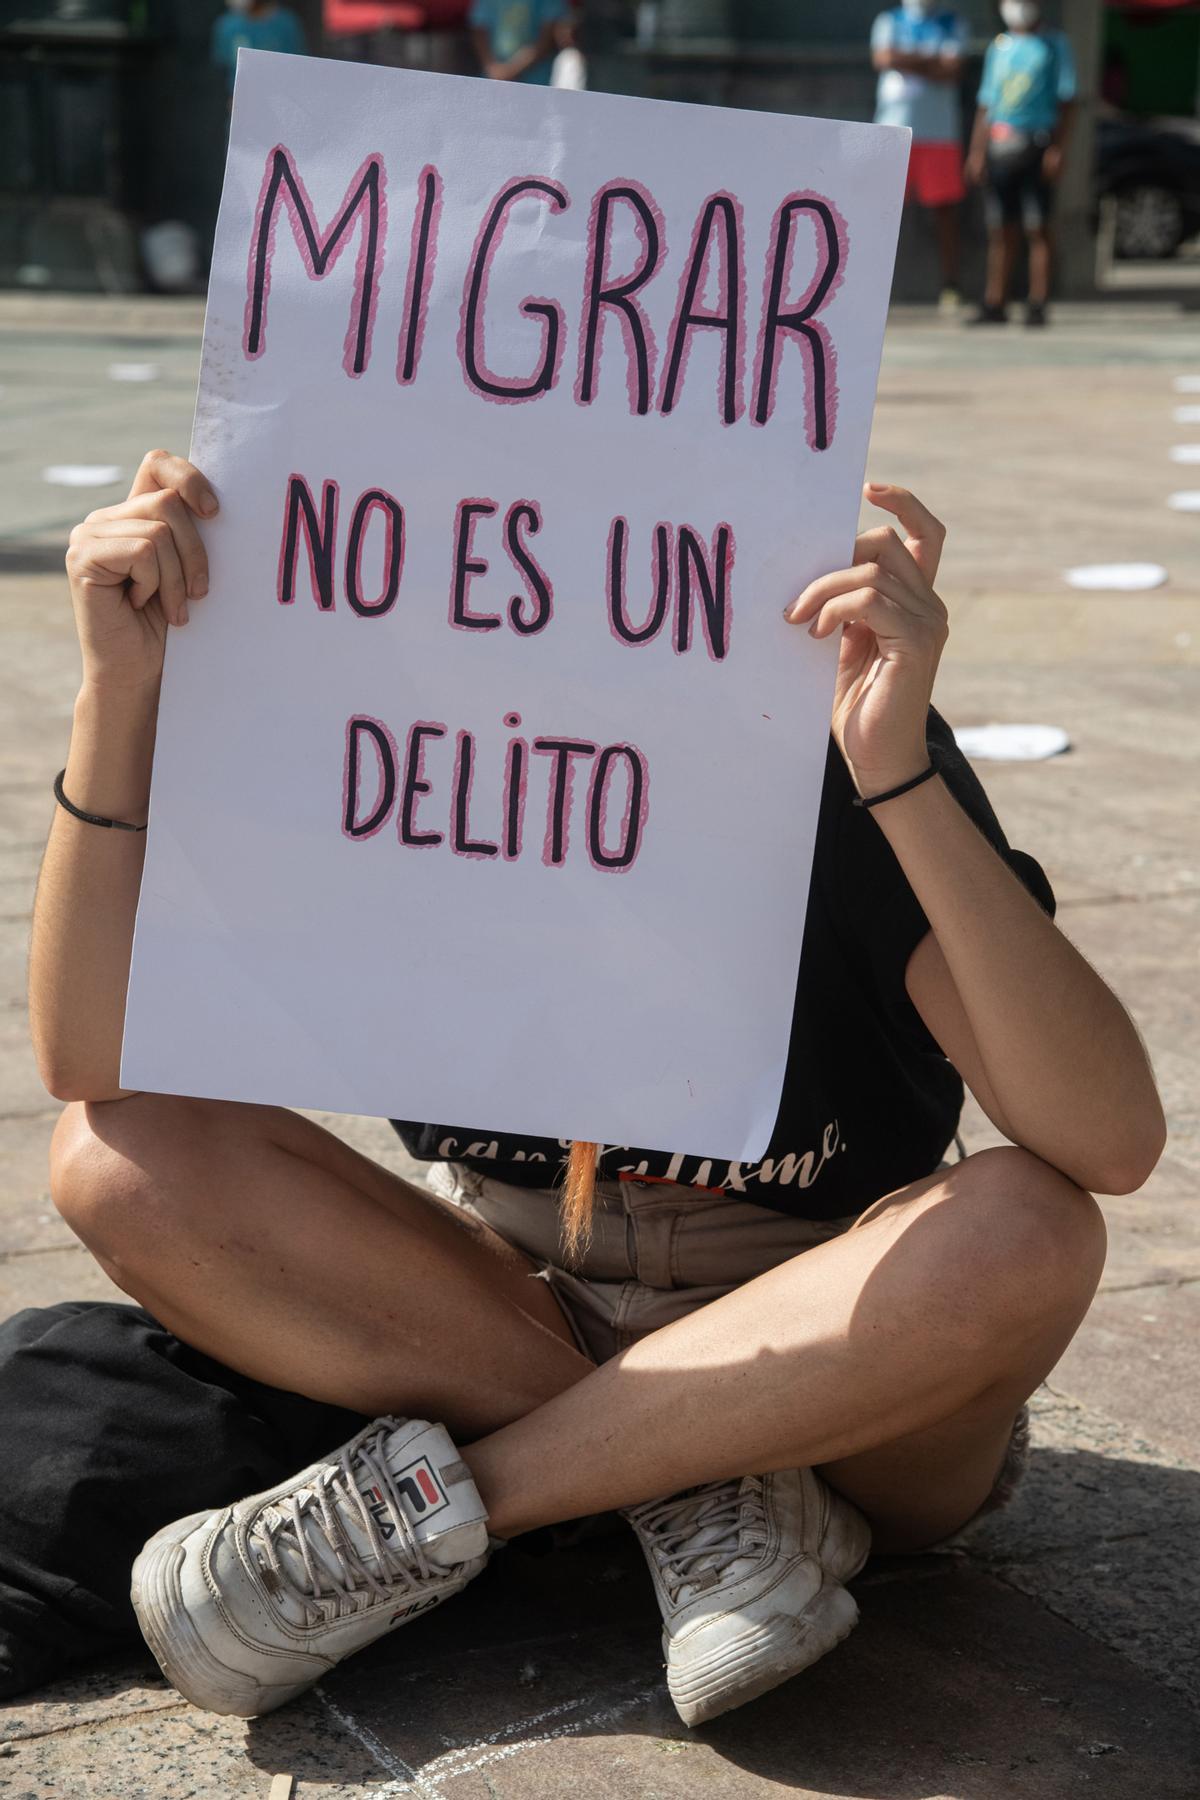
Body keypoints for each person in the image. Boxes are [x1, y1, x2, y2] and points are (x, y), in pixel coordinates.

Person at [31, 451, 1163, 1724]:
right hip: (520, 1312)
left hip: (844, 1368)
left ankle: (451, 1509)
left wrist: (891, 766)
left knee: (1029, 1226)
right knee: (114, 1154)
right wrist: (116, 694)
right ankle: (701, 1490)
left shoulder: (820, 743)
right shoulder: (386, 761)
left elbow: (1107, 1140)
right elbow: (90, 1061)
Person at [966, 1, 1077, 327]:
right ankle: (995, 301)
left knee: (1038, 227)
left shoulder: (1056, 45)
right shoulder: (999, 47)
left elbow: (1068, 99)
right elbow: (986, 105)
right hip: (1001, 148)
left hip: (1038, 144)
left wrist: (1058, 148)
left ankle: (1037, 301)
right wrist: (977, 151)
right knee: (1001, 228)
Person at [871, 1, 970, 313]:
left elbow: (952, 70)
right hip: (892, 132)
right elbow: (883, 58)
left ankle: (951, 286)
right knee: (881, 213)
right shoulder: (888, 20)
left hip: (939, 133)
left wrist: (905, 60)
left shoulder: (953, 23)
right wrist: (931, 62)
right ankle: (870, 284)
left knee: (945, 214)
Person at [211, 0, 307, 97]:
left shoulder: (285, 24)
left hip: (280, 98)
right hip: (240, 99)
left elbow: (298, 68)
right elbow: (221, 70)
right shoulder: (227, 25)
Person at [470, 0, 568, 84]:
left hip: (536, 82)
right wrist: (491, 67)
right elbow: (479, 30)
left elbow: (547, 39)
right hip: (493, 78)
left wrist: (510, 70)